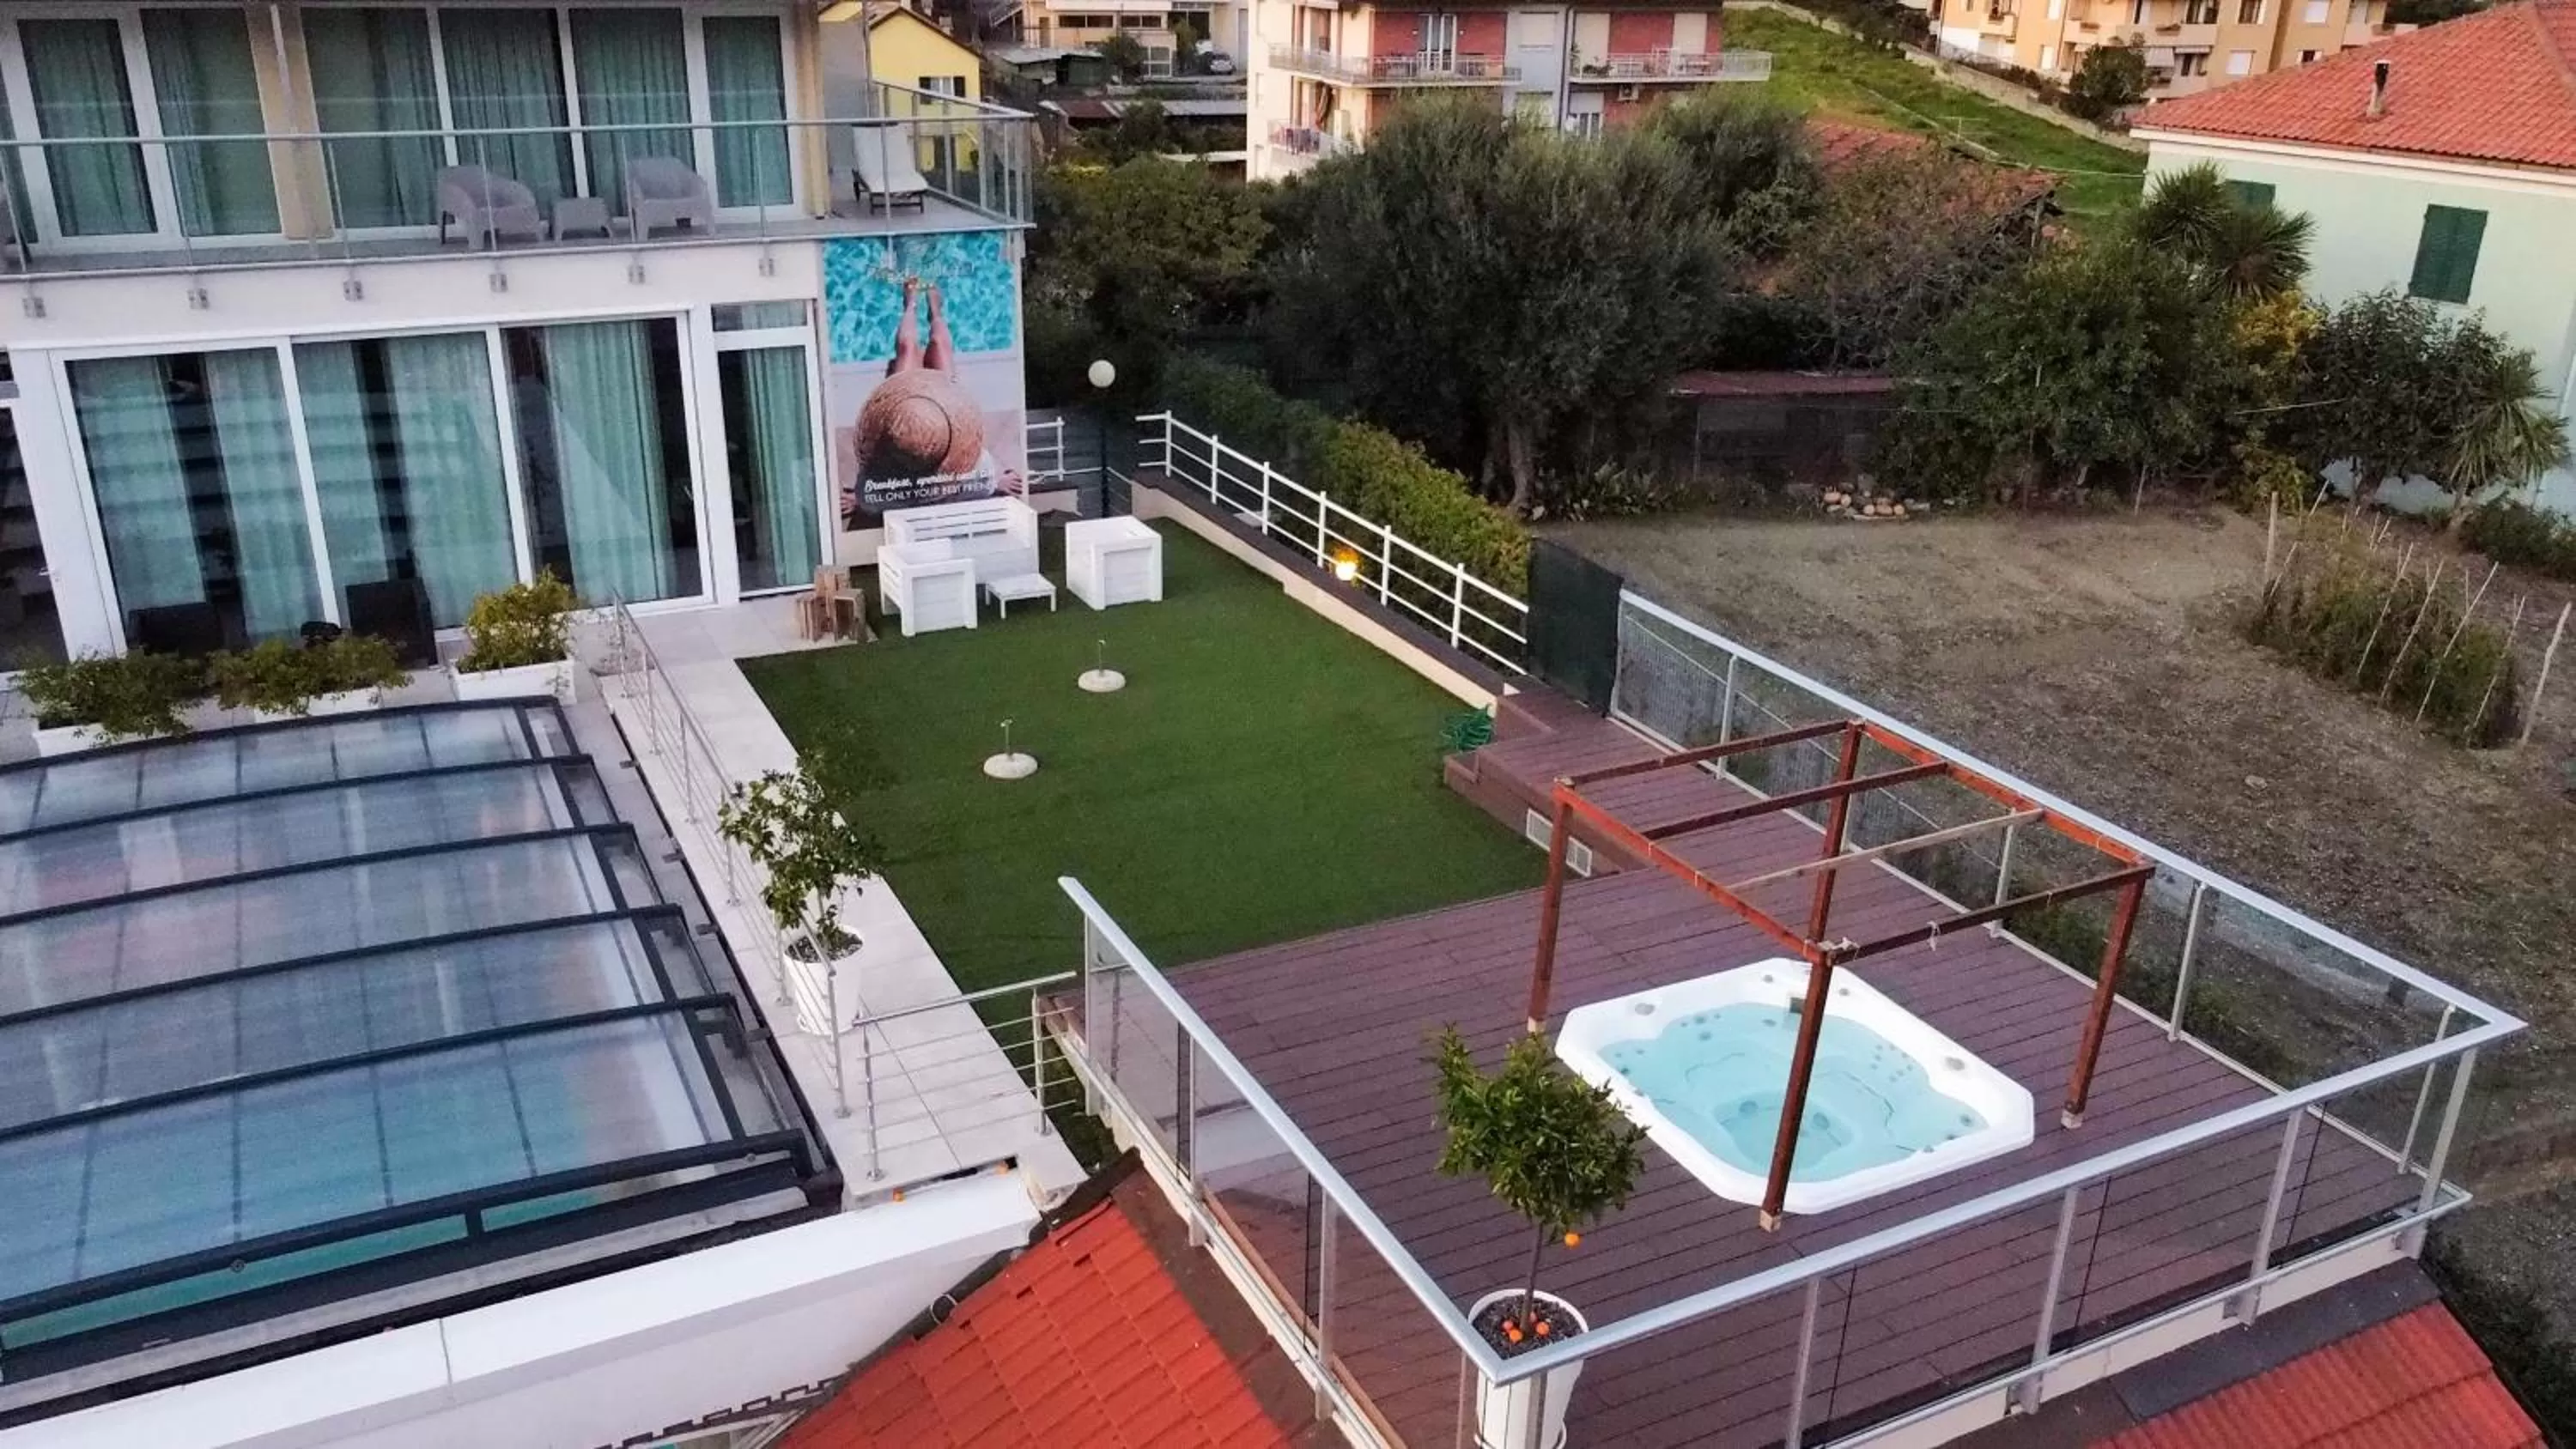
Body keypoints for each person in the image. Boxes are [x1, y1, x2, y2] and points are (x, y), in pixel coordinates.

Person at [844, 278, 987, 525]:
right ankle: (935, 312)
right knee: (938, 345)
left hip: (908, 411)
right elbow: (986, 476)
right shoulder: (971, 465)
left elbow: (867, 498)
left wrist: (857, 501)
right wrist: (1000, 481)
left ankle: (910, 305)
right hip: (942, 416)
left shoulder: (882, 481)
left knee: (908, 348)